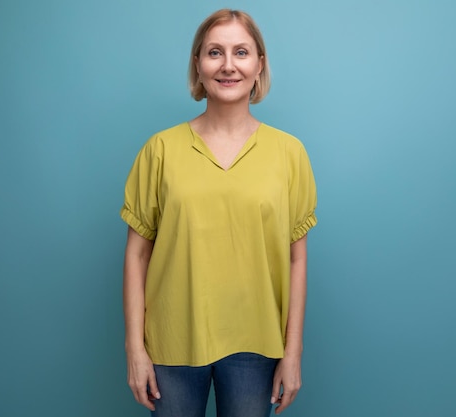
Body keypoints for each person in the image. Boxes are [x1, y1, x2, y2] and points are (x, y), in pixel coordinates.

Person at [121, 9, 317, 417]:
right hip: (173, 345)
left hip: (257, 346)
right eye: (215, 52)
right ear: (198, 64)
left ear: (259, 64)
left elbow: (297, 258)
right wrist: (135, 350)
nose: (228, 65)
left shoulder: (289, 154)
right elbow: (137, 255)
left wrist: (293, 351)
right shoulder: (160, 150)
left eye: (241, 52)